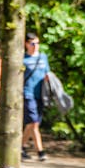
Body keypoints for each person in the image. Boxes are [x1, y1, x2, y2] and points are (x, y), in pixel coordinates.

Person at [22, 32, 50, 161]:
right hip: (28, 93)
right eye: (33, 43)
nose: (36, 46)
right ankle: (40, 151)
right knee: (34, 122)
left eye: (38, 43)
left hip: (41, 95)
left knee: (33, 124)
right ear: (26, 44)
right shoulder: (22, 58)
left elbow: (47, 74)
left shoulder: (43, 57)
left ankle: (21, 147)